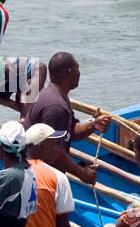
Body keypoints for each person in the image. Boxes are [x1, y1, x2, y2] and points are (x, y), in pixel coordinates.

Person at [23, 51, 111, 186]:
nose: (80, 73)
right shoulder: (56, 106)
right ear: (70, 72)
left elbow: (69, 132)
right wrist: (82, 173)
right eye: (78, 69)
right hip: (39, 177)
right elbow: (54, 149)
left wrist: (93, 125)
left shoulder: (57, 94)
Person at [22, 123, 77, 227]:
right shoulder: (58, 177)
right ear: (41, 146)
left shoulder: (8, 173)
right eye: (55, 144)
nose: (59, 149)